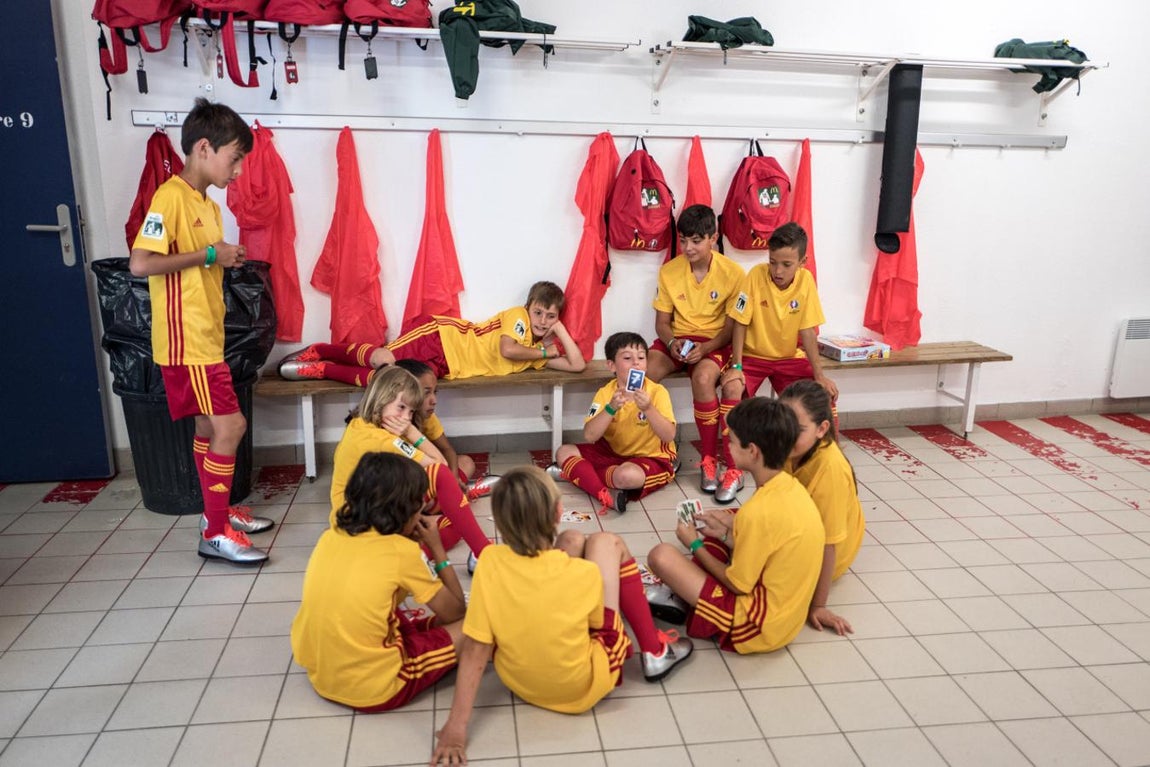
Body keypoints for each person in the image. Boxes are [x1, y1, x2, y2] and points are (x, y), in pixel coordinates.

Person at [430, 467, 693, 765]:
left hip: (520, 682)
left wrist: (456, 727)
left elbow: (476, 648)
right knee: (607, 543)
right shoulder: (584, 574)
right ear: (558, 512)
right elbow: (597, 628)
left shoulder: (488, 561)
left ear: (500, 525)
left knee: (572, 538)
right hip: (581, 686)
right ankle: (655, 650)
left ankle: (646, 631)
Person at [128, 98, 272, 565]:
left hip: (205, 337)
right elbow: (141, 263)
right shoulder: (169, 197)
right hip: (186, 342)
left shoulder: (206, 205)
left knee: (210, 426)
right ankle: (214, 531)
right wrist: (211, 256)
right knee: (232, 425)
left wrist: (223, 255)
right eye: (234, 159)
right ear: (204, 147)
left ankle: (219, 511)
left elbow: (200, 260)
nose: (237, 172)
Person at [645, 397, 825, 655]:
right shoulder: (790, 487)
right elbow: (770, 547)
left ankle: (681, 598)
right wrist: (726, 535)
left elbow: (738, 584)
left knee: (661, 556)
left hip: (759, 625)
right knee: (721, 525)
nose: (727, 447)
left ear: (753, 451)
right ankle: (683, 591)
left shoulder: (757, 511)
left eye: (731, 442)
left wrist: (693, 544)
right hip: (788, 616)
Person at [291, 452, 466, 711]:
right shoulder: (400, 551)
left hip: (321, 672)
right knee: (476, 625)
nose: (422, 512)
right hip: (375, 686)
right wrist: (437, 549)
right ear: (404, 509)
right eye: (420, 505)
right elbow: (456, 611)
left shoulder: (331, 536)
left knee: (418, 620)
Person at [715, 222, 839, 504]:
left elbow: (807, 331)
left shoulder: (806, 282)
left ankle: (825, 464)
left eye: (786, 264)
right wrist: (735, 367)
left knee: (823, 395)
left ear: (802, 262)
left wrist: (820, 374)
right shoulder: (755, 276)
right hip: (752, 357)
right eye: (773, 263)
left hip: (788, 359)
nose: (778, 271)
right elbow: (740, 324)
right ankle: (733, 470)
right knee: (732, 389)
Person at [329, 367, 491, 569]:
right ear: (382, 398)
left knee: (453, 515)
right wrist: (412, 432)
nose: (406, 417)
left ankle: (414, 555)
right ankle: (479, 552)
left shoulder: (361, 423)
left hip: (364, 516)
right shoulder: (381, 439)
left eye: (411, 411)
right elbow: (440, 468)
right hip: (365, 527)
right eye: (401, 407)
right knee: (454, 519)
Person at [278, 281, 585, 384]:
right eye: (540, 313)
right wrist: (547, 349)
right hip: (440, 338)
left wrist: (560, 329)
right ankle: (320, 349)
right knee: (382, 357)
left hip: (446, 367)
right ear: (528, 307)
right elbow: (508, 350)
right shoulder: (517, 318)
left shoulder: (533, 354)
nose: (543, 320)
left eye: (551, 316)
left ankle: (321, 370)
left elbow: (577, 365)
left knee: (385, 379)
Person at [646, 204, 745, 496]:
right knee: (643, 375)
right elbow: (662, 323)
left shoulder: (733, 273)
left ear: (713, 238)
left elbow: (731, 327)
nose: (688, 247)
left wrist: (705, 349)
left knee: (702, 379)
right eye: (684, 239)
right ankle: (656, 452)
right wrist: (672, 343)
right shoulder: (669, 272)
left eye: (696, 240)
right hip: (679, 341)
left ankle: (710, 460)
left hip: (715, 342)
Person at [549, 332, 677, 514]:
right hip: (611, 451)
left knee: (626, 476)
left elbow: (669, 435)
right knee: (563, 451)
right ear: (611, 365)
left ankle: (579, 475)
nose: (636, 363)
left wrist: (648, 408)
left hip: (651, 457)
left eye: (641, 357)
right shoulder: (605, 393)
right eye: (627, 358)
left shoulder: (657, 392)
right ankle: (603, 493)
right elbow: (590, 435)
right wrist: (611, 408)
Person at [780, 380, 864, 636]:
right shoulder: (788, 444)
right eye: (782, 424)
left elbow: (829, 544)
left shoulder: (830, 469)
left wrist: (818, 605)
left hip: (830, 551)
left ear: (821, 429)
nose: (786, 433)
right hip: (799, 524)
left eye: (798, 428)